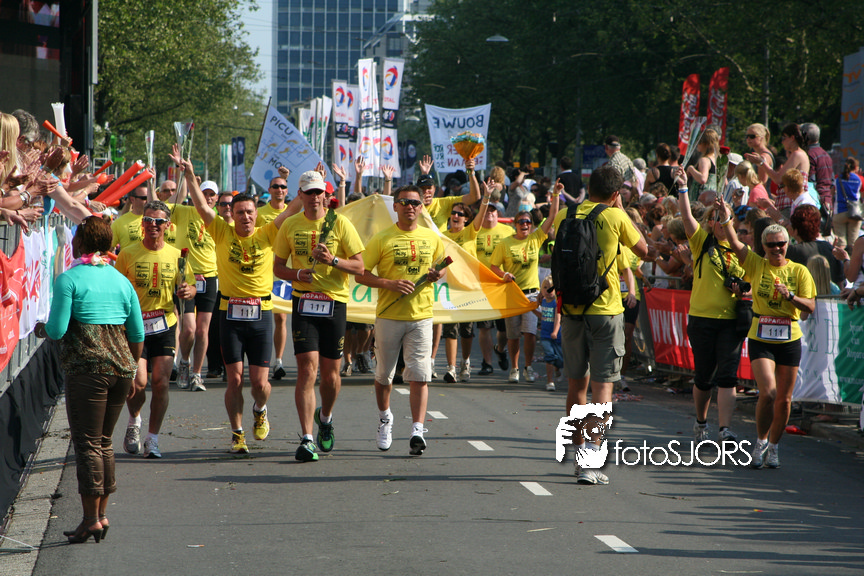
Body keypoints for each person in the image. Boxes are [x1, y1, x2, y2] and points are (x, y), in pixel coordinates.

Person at [172, 146, 292, 454]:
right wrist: (189, 174)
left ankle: (260, 409)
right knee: (235, 379)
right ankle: (237, 434)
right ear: (232, 215)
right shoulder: (222, 233)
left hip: (261, 314)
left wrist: (305, 184)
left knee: (260, 384)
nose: (246, 217)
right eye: (240, 212)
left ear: (256, 214)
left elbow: (292, 210)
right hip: (230, 315)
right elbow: (201, 206)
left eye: (250, 212)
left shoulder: (267, 233)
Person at [37, 216, 144, 544]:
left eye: (74, 237)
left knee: (87, 444)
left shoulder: (69, 279)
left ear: (81, 242)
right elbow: (137, 333)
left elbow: (57, 330)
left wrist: (40, 328)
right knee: (104, 442)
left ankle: (90, 519)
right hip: (121, 369)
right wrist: (133, 369)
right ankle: (101, 515)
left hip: (87, 370)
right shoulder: (121, 280)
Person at [558, 166, 649, 485]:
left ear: (589, 186)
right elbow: (644, 250)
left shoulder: (566, 215)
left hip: (571, 309)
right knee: (603, 388)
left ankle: (578, 455)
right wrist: (620, 209)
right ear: (615, 194)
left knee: (576, 386)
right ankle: (591, 460)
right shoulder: (615, 216)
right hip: (605, 310)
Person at [273, 170, 365, 462]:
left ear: (326, 195)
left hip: (334, 303)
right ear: (299, 195)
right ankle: (307, 438)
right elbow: (278, 267)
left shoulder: (340, 223)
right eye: (309, 192)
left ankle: (325, 418)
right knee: (306, 370)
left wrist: (333, 260)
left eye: (318, 192)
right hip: (303, 302)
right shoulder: (290, 224)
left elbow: (360, 267)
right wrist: (298, 274)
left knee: (330, 375)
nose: (314, 197)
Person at [719, 205, 815, 468]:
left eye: (781, 244)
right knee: (769, 393)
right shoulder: (756, 264)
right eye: (771, 245)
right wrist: (726, 218)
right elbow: (735, 243)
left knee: (784, 399)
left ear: (787, 244)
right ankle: (760, 441)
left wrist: (790, 296)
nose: (777, 249)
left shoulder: (799, 271)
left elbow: (810, 306)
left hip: (789, 338)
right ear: (763, 246)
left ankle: (774, 446)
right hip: (761, 336)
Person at [358, 185, 446, 455]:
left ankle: (417, 430)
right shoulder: (382, 238)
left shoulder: (431, 238)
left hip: (421, 316)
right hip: (389, 316)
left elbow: (441, 267)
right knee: (384, 376)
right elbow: (361, 274)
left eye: (415, 203)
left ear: (422, 207)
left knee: (419, 375)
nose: (410, 207)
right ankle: (385, 418)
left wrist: (436, 274)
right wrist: (389, 283)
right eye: (404, 202)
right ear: (395, 206)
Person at [116, 201, 196, 459]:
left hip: (164, 324)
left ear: (167, 225)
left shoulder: (177, 255)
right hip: (134, 327)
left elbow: (190, 286)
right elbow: (117, 289)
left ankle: (153, 439)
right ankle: (134, 421)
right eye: (149, 220)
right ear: (142, 223)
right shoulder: (127, 254)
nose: (153, 225)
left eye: (159, 221)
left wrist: (188, 291)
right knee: (137, 384)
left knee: (161, 383)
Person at [675, 169, 748, 442]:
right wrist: (683, 188)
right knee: (704, 377)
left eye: (726, 217)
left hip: (730, 321)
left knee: (727, 377)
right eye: (716, 217)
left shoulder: (741, 250)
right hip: (702, 319)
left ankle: (724, 429)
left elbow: (749, 283)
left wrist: (741, 289)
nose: (721, 221)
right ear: (709, 222)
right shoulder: (701, 242)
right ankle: (701, 422)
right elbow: (686, 218)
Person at [490, 183, 560, 383]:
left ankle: (528, 367)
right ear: (515, 224)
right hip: (512, 293)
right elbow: (494, 266)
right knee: (513, 335)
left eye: (528, 222)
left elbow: (552, 217)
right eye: (521, 222)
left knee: (529, 333)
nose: (525, 225)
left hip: (531, 294)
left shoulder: (536, 238)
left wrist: (555, 194)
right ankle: (514, 369)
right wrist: (504, 274)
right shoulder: (505, 243)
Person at [167, 180, 221, 392]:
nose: (208, 197)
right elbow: (164, 206)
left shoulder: (217, 219)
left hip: (209, 277)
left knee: (202, 330)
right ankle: (184, 361)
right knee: (188, 328)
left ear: (216, 198)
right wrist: (184, 181)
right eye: (204, 193)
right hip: (186, 276)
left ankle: (197, 374)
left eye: (212, 194)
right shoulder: (184, 211)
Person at [440, 173, 491, 382]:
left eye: (460, 214)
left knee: (466, 331)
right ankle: (451, 368)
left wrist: (486, 197)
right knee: (450, 329)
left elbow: (481, 214)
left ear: (466, 219)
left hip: (469, 289)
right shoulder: (442, 236)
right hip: (450, 289)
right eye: (453, 213)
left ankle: (465, 362)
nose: (455, 216)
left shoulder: (470, 232)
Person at [257, 172, 294, 380]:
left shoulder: (292, 213)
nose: (279, 190)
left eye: (283, 187)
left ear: (287, 191)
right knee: (261, 314)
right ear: (269, 190)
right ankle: (259, 360)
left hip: (283, 270)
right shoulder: (260, 213)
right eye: (276, 186)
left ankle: (278, 361)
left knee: (280, 316)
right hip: (262, 269)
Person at [474, 200, 514, 374]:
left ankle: (500, 349)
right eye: (487, 210)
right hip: (481, 286)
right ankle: (487, 363)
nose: (490, 213)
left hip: (502, 285)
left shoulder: (508, 231)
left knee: (503, 329)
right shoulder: (474, 231)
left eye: (493, 211)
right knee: (484, 327)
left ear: (498, 214)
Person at [785, 205, 845, 287]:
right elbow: (839, 281)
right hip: (830, 294)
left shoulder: (793, 251)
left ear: (795, 229)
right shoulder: (828, 247)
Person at [534, 275, 562, 392]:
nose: (548, 290)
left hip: (557, 336)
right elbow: (543, 317)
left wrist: (555, 331)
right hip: (545, 335)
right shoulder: (544, 302)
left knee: (559, 360)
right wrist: (532, 309)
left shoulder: (556, 303)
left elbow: (558, 318)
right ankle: (550, 381)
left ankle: (557, 369)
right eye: (545, 288)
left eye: (551, 288)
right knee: (549, 357)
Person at [801, 122, 835, 211]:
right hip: (828, 200)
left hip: (816, 202)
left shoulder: (808, 155)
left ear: (805, 137)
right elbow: (832, 182)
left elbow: (810, 182)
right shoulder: (826, 154)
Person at [833, 158, 862, 249]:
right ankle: (852, 257)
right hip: (854, 213)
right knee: (853, 243)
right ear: (856, 167)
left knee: (840, 243)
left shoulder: (838, 178)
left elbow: (832, 192)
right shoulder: (859, 179)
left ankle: (841, 257)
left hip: (839, 212)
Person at [686, 129, 719, 202]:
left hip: (701, 199)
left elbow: (703, 179)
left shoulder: (705, 160)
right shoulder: (717, 160)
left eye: (699, 142)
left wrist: (691, 169)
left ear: (706, 144)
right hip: (713, 197)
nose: (697, 144)